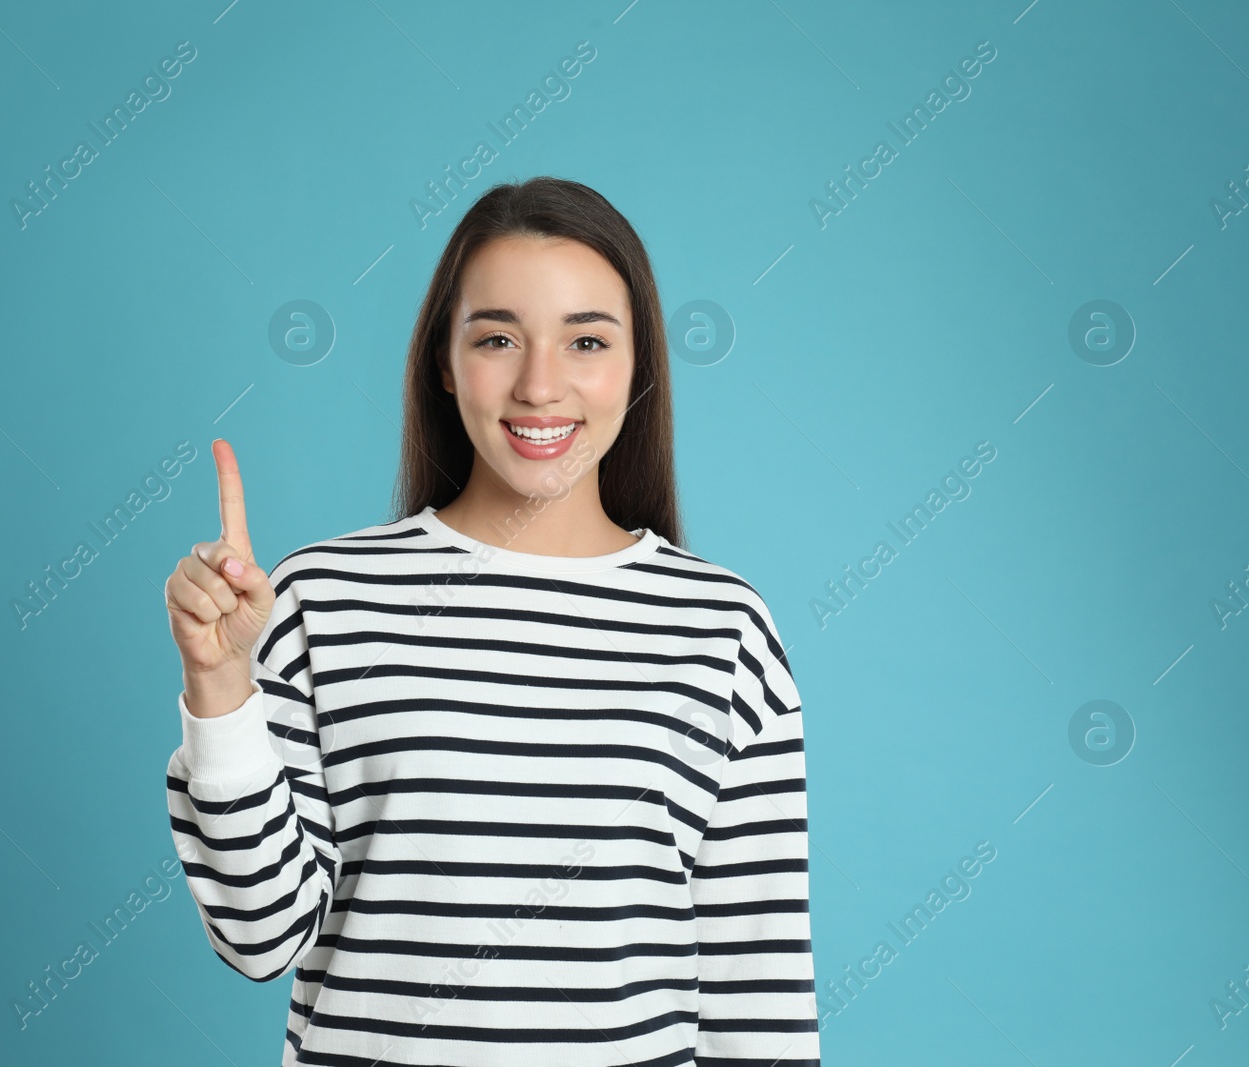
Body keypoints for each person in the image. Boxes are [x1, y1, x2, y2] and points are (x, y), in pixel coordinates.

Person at [163, 176, 819, 1066]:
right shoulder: (320, 599)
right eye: (498, 337)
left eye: (586, 339)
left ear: (639, 365)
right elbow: (260, 936)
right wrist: (221, 690)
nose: (540, 385)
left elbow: (760, 989)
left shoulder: (722, 629)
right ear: (444, 359)